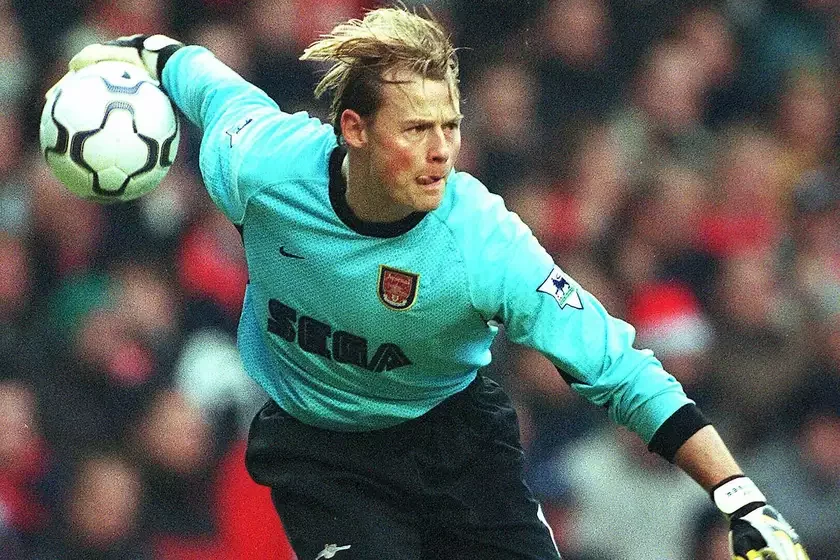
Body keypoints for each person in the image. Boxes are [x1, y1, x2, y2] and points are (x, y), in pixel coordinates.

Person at [57, 6, 809, 559]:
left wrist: (739, 495)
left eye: (449, 126)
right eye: (417, 129)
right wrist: (124, 53)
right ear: (354, 128)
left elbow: (620, 369)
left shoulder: (483, 244)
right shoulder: (261, 165)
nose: (442, 151)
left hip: (456, 444)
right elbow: (200, 78)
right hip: (323, 453)